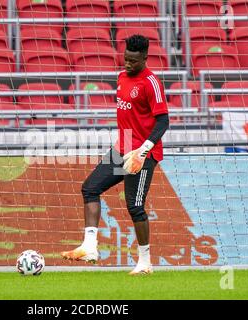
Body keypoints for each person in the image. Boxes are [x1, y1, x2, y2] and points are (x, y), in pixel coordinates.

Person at [61, 34, 170, 275]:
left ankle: (144, 262)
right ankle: (90, 247)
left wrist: (144, 149)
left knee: (135, 206)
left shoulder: (151, 82)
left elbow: (163, 121)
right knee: (90, 188)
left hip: (142, 152)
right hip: (123, 146)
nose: (128, 64)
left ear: (144, 58)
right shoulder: (121, 77)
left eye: (133, 61)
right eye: (126, 59)